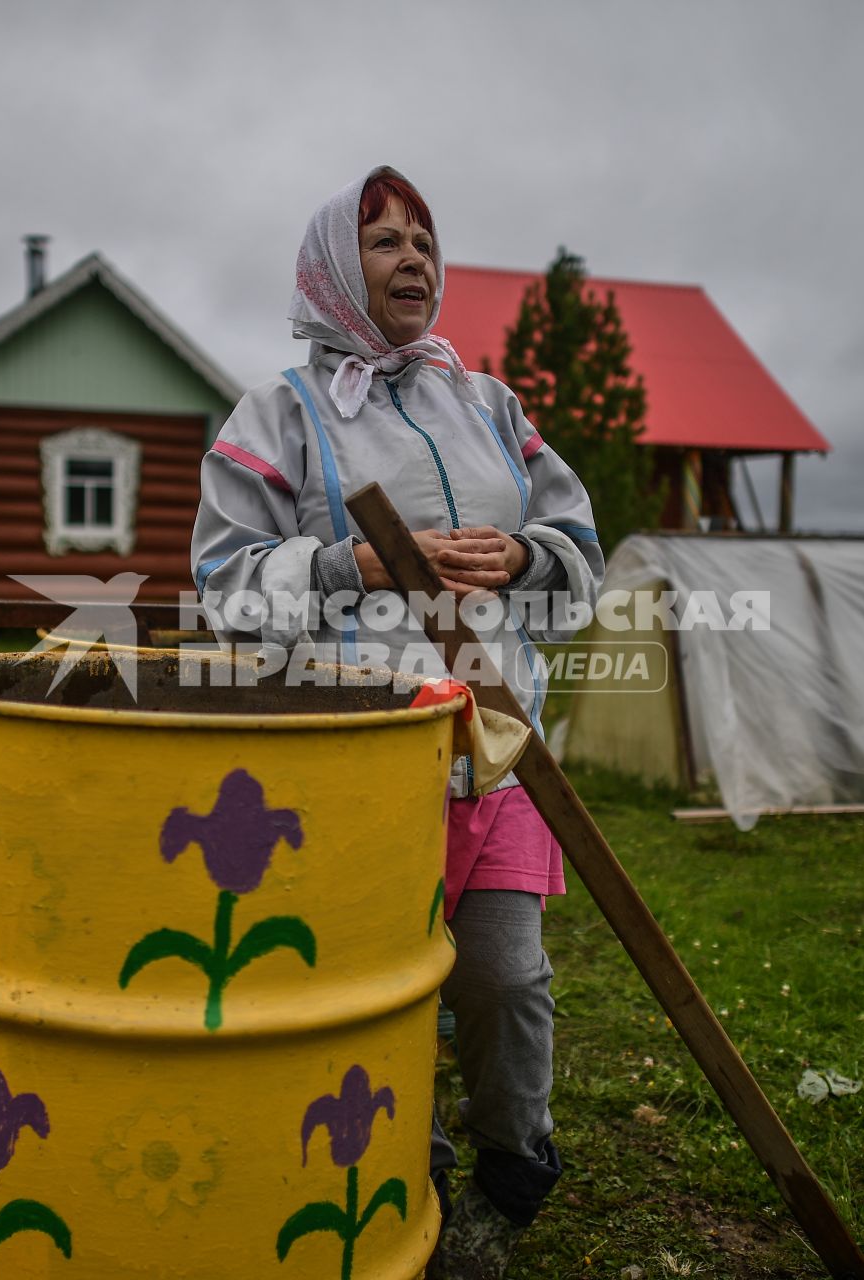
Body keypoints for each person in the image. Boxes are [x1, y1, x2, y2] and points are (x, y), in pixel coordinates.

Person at [190, 166, 603, 1278]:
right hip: (360, 764)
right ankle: (395, 1179)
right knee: (382, 995)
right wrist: (344, 561)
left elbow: (576, 544)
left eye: (424, 239)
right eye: (383, 240)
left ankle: (510, 1176)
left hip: (496, 741)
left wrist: (523, 556)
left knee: (504, 978)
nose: (414, 257)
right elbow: (224, 579)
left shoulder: (490, 405)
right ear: (333, 268)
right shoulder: (280, 412)